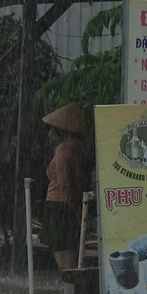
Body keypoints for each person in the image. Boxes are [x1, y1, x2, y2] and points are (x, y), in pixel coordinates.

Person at [40, 101, 95, 275]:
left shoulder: (64, 149)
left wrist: (73, 207)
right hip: (72, 204)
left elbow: (65, 182)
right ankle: (71, 292)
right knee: (72, 251)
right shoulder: (82, 149)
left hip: (60, 205)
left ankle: (70, 291)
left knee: (64, 257)